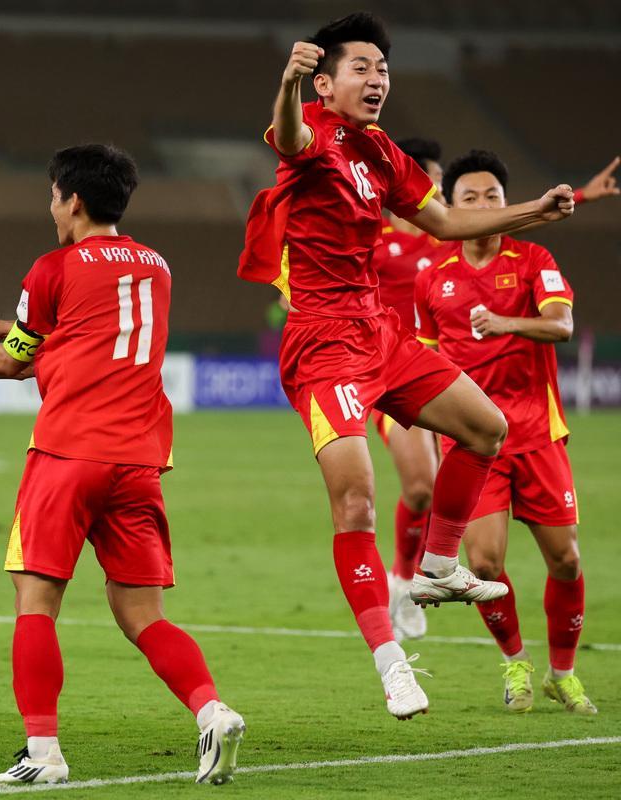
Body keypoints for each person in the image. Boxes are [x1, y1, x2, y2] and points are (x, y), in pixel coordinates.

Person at [238, 12, 575, 719]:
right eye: (361, 68)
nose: (377, 80)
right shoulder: (311, 132)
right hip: (323, 344)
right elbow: (289, 135)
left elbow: (445, 223)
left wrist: (533, 214)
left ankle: (439, 564)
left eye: (383, 69)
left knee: (485, 428)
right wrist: (288, 83)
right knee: (357, 499)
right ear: (325, 83)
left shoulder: (383, 151)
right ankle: (392, 664)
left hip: (380, 333)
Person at [0, 144, 245, 786]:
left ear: (75, 201)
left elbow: (16, 360)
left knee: (35, 602)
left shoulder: (52, 268)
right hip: (139, 462)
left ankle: (43, 753)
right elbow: (80, 334)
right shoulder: (156, 266)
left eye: (54, 196)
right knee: (144, 615)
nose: (52, 208)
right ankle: (211, 710)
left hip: (68, 454)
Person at [415, 149, 597, 715]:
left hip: (537, 432)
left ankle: (562, 674)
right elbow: (423, 361)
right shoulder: (432, 278)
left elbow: (562, 325)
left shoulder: (533, 257)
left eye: (491, 196)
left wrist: (504, 323)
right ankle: (516, 663)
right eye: (468, 198)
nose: (482, 205)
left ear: (506, 202)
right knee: (485, 565)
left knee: (566, 561)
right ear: (450, 206)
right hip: (471, 442)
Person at [368, 138, 445, 641]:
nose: (435, 187)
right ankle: (402, 580)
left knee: (445, 490)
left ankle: (414, 576)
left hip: (451, 373)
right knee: (421, 485)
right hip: (391, 375)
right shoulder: (370, 235)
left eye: (437, 179)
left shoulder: (450, 238)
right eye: (428, 177)